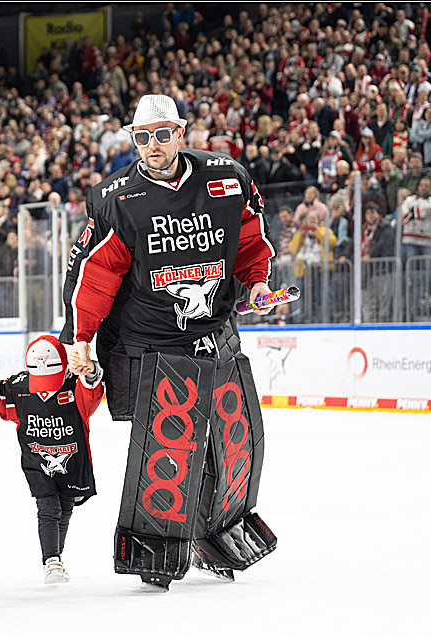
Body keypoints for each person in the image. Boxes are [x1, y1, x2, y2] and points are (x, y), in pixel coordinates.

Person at [62, 94, 278, 592]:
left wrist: (259, 283)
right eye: (142, 137)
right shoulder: (116, 198)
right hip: (150, 343)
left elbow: (248, 242)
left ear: (182, 133)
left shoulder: (228, 178)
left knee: (231, 439)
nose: (153, 145)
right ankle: (158, 546)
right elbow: (93, 276)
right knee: (171, 448)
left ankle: (216, 534)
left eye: (163, 134)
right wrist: (80, 338)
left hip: (216, 329)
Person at [0, 335, 103, 584]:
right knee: (48, 508)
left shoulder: (74, 385)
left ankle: (56, 558)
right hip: (36, 462)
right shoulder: (21, 386)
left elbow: (93, 390)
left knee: (65, 508)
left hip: (72, 462)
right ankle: (51, 562)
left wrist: (91, 369)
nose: (47, 388)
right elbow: (0, 390)